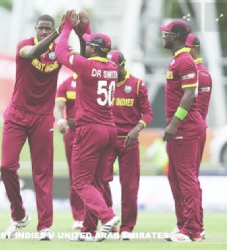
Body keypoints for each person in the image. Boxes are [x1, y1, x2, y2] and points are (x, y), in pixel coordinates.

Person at [55, 10, 120, 241]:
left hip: (89, 130)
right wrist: (87, 28)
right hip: (109, 130)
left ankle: (108, 216)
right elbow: (94, 49)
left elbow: (60, 51)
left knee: (81, 182)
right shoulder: (112, 66)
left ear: (94, 50)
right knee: (96, 182)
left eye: (89, 45)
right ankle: (89, 230)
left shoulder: (84, 67)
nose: (87, 46)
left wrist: (66, 27)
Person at [0, 14, 64, 241]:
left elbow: (83, 58)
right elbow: (33, 53)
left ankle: (44, 226)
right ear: (35, 29)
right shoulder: (24, 46)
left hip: (43, 118)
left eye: (49, 29)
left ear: (53, 29)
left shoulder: (60, 51)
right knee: (7, 166)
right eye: (41, 28)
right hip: (17, 115)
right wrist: (58, 34)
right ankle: (19, 215)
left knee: (42, 174)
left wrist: (79, 31)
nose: (44, 32)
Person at [159, 20, 204, 242]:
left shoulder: (185, 60)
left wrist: (174, 123)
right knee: (176, 178)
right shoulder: (177, 59)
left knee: (186, 178)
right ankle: (183, 225)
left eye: (166, 34)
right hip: (178, 125)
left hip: (184, 126)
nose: (163, 37)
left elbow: (189, 95)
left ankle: (193, 230)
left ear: (176, 36)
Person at [100, 50, 153, 240]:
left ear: (123, 65)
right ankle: (109, 220)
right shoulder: (104, 83)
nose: (110, 72)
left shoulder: (137, 84)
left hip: (129, 141)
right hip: (107, 141)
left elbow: (147, 113)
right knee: (101, 180)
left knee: (129, 186)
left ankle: (127, 229)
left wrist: (137, 129)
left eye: (114, 68)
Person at [184, 33, 211, 240]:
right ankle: (193, 225)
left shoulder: (199, 74)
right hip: (194, 130)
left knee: (188, 178)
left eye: (185, 48)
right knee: (187, 178)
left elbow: (195, 109)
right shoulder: (198, 72)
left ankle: (194, 227)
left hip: (191, 131)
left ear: (194, 49)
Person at [55, 73, 85, 229]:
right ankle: (79, 216)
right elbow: (59, 107)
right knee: (75, 174)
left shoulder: (91, 79)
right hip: (72, 134)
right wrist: (60, 121)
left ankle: (97, 213)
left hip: (90, 131)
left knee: (94, 175)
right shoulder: (66, 84)